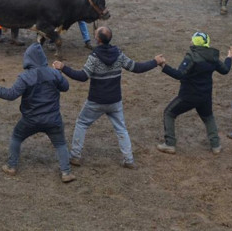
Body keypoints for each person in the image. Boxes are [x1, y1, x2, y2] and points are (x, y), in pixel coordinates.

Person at [53, 26, 160, 169]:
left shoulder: (94, 57)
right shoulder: (119, 55)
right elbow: (137, 68)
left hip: (96, 101)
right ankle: (128, 159)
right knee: (121, 128)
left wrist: (63, 67)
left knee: (82, 123)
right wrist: (155, 61)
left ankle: (76, 156)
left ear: (97, 40)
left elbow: (83, 76)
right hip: (115, 101)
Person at [0, 43, 75, 183]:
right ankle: (66, 172)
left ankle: (11, 166)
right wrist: (58, 73)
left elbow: (11, 95)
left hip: (31, 119)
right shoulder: (54, 73)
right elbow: (65, 87)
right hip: (53, 119)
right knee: (60, 143)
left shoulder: (25, 77)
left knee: (16, 137)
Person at [156, 32, 231, 155]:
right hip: (205, 96)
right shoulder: (213, 57)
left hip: (189, 96)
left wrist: (163, 65)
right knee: (208, 118)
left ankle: (170, 144)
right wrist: (229, 57)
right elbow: (225, 70)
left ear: (195, 42)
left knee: (169, 113)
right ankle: (215, 145)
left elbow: (179, 74)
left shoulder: (192, 57)